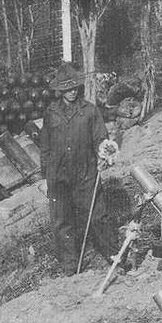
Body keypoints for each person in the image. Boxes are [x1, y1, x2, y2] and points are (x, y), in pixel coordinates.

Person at [38, 63, 119, 274]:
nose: (72, 91)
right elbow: (45, 146)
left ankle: (113, 255)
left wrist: (105, 154)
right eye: (67, 88)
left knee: (97, 215)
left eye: (75, 87)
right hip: (58, 175)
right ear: (60, 90)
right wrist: (44, 175)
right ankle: (69, 264)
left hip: (86, 173)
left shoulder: (90, 111)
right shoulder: (51, 113)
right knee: (62, 221)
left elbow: (101, 138)